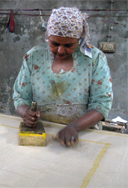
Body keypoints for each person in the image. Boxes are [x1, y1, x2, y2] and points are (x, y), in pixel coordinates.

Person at [13, 7, 113, 147]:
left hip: (82, 134)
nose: (60, 50)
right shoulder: (34, 57)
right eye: (54, 43)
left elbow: (102, 104)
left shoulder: (94, 59)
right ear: (48, 36)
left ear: (79, 39)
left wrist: (74, 126)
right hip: (43, 133)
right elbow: (21, 97)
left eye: (68, 45)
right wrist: (26, 113)